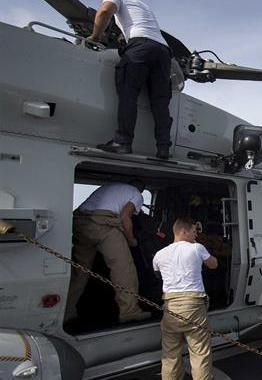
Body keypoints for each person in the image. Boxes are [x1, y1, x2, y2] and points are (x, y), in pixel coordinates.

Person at [89, 0, 173, 159]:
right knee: (160, 102)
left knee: (128, 93)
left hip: (140, 46)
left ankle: (122, 142)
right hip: (163, 51)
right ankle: (163, 148)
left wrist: (95, 36)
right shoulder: (141, 5)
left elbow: (104, 12)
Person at [67, 180, 151, 324]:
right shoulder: (136, 194)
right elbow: (125, 217)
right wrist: (131, 240)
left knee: (80, 271)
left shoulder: (111, 187)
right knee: (123, 268)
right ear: (141, 189)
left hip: (80, 221)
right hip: (103, 223)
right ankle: (129, 311)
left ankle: (67, 311)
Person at [153, 217, 218, 380]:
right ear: (184, 231)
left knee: (170, 355)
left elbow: (157, 274)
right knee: (199, 353)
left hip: (170, 306)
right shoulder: (197, 248)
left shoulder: (159, 255)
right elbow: (213, 264)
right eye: (194, 231)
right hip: (194, 305)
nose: (196, 236)